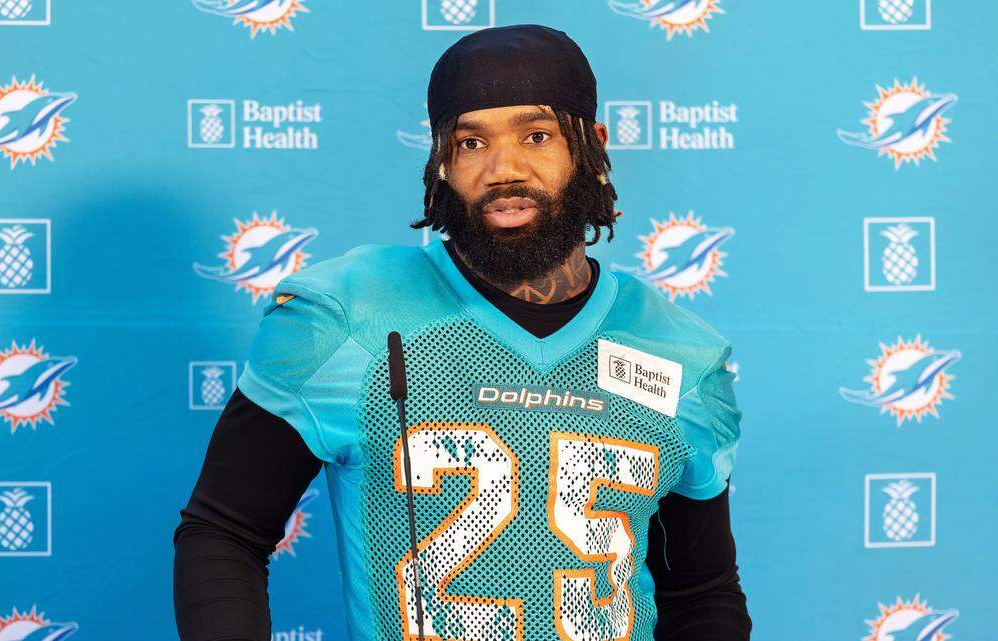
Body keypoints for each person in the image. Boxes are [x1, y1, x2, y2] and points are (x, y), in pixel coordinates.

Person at [174, 23, 751, 641]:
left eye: (537, 136)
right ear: (442, 164)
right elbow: (224, 533)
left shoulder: (680, 354)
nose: (504, 169)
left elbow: (701, 591)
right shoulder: (347, 317)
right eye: (471, 142)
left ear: (590, 146)